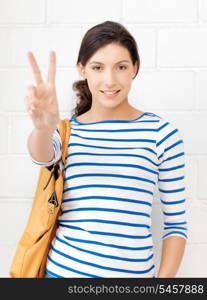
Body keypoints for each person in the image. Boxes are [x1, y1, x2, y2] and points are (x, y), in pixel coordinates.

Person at [24, 21, 187, 278]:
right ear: (82, 69)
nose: (109, 80)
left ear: (135, 68)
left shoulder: (161, 134)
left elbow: (176, 225)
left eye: (121, 67)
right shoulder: (67, 132)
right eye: (97, 67)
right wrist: (44, 127)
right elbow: (41, 155)